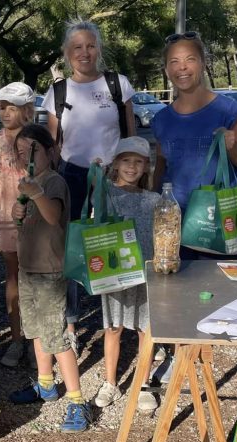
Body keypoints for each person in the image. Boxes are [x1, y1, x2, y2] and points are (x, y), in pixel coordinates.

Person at [150, 31, 237, 398]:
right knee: (180, 295)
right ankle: (183, 355)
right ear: (166, 69)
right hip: (177, 221)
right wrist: (150, 205)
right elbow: (160, 166)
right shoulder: (161, 119)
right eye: (174, 62)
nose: (182, 68)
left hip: (222, 221)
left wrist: (232, 144)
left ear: (202, 63)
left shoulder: (227, 110)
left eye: (189, 60)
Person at [45, 19, 136, 347]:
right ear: (67, 54)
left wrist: (129, 174)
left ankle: (122, 322)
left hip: (114, 177)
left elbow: (131, 137)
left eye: (90, 46)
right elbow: (53, 147)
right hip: (72, 176)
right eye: (77, 48)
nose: (84, 52)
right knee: (71, 253)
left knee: (117, 247)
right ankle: (71, 325)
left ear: (99, 48)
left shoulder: (118, 84)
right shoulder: (58, 91)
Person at [6, 123, 90, 433]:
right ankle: (45, 384)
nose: (26, 156)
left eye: (33, 151)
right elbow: (30, 224)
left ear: (51, 152)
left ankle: (78, 400)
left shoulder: (53, 182)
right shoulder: (29, 182)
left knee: (56, 336)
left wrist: (35, 194)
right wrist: (18, 212)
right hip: (28, 269)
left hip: (51, 272)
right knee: (36, 330)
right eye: (21, 152)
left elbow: (54, 217)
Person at [92, 137, 160, 411]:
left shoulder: (155, 199)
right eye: (126, 160)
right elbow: (94, 190)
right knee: (113, 327)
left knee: (146, 329)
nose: (132, 167)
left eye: (138, 161)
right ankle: (110, 382)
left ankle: (144, 383)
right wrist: (95, 171)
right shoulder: (105, 193)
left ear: (146, 167)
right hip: (114, 271)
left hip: (144, 271)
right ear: (116, 164)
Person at [0, 82, 37, 368]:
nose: (5, 112)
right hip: (5, 218)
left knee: (38, 277)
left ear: (26, 110)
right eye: (2, 106)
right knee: (12, 276)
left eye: (11, 107)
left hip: (36, 218)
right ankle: (16, 338)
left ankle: (40, 341)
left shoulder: (37, 141)